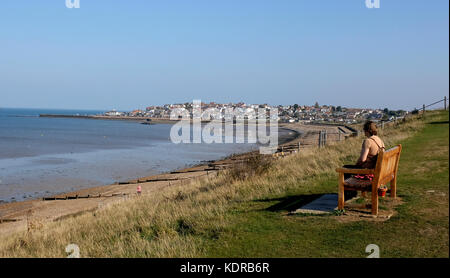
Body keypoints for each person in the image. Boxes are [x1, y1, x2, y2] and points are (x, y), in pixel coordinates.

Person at [343, 121, 385, 200]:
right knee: (349, 168)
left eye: (364, 130)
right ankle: (351, 194)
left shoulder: (368, 141)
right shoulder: (380, 141)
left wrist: (357, 164)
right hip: (378, 171)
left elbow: (362, 159)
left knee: (345, 169)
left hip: (369, 171)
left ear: (367, 131)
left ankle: (348, 196)